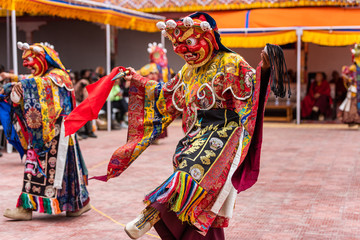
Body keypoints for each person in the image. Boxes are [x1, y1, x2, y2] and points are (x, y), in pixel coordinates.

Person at [65, 12, 289, 240]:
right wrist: (138, 80)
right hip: (195, 131)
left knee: (190, 172)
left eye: (189, 42)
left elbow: (251, 87)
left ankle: (150, 214)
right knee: (200, 193)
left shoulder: (230, 62)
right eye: (178, 45)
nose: (184, 50)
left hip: (224, 131)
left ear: (209, 38)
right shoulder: (187, 71)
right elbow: (167, 93)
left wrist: (266, 67)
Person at [1, 42, 90, 220]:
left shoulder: (58, 76)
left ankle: (31, 208)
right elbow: (32, 78)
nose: (30, 68)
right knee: (51, 169)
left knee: (40, 168)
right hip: (48, 130)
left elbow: (41, 83)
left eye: (31, 63)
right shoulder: (46, 75)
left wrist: (22, 85)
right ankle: (73, 205)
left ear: (43, 59)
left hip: (56, 134)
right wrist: (11, 78)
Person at [338, 44, 360, 125]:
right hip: (354, 89)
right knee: (352, 104)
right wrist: (349, 79)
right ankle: (353, 120)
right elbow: (344, 74)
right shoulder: (352, 68)